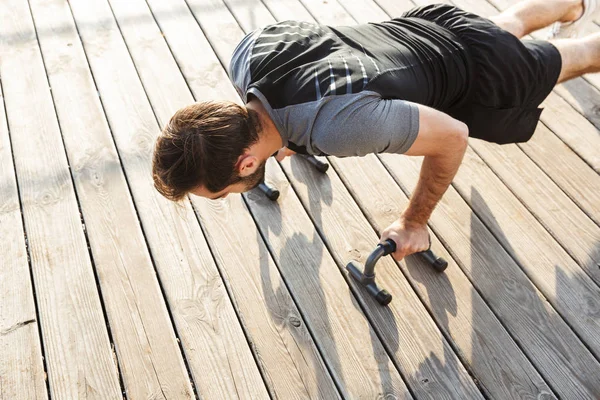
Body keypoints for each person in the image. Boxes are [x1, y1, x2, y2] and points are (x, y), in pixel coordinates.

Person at [152, 0, 600, 261]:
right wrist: (287, 137)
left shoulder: (340, 128)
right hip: (426, 24)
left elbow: (452, 136)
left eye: (217, 193)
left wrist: (413, 222)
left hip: (483, 72)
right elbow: (313, 69)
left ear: (245, 162)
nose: (223, 197)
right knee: (502, 28)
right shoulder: (248, 54)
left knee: (578, 54)